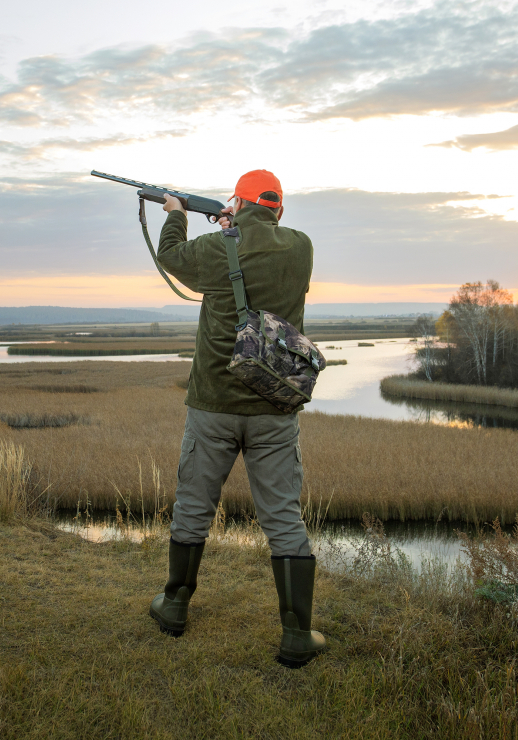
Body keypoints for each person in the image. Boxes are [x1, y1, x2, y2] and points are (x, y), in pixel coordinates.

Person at [147, 169, 326, 666]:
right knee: (283, 518)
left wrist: (176, 214)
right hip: (273, 406)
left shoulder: (216, 247)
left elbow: (171, 257)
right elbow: (260, 245)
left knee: (193, 508)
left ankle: (174, 607)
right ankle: (297, 635)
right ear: (279, 209)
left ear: (237, 203)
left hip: (213, 406)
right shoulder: (301, 247)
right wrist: (237, 224)